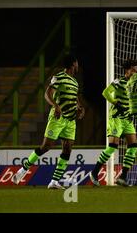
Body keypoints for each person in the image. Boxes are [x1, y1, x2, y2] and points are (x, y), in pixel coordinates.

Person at [12, 54, 85, 189]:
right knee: (46, 147)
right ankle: (22, 170)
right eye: (77, 63)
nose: (78, 66)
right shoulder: (59, 77)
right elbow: (47, 93)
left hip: (70, 120)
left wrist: (79, 107)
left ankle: (54, 182)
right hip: (57, 118)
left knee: (67, 149)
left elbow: (74, 98)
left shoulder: (75, 82)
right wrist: (55, 106)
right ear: (73, 64)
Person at [89, 59, 137, 186]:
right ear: (128, 70)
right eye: (134, 69)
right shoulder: (118, 81)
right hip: (116, 117)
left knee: (133, 146)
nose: (136, 71)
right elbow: (105, 93)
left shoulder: (135, 85)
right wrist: (116, 103)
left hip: (127, 119)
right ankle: (94, 172)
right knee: (112, 147)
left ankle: (123, 176)